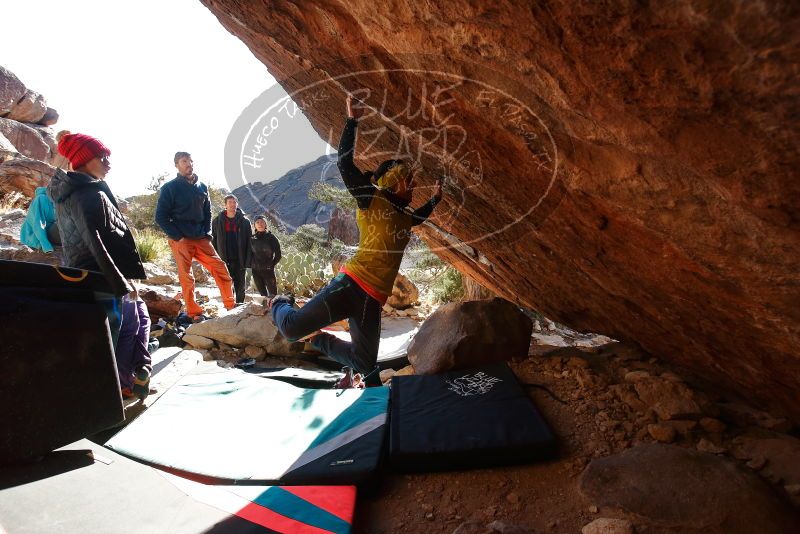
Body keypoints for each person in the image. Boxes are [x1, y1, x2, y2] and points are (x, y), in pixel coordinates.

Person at [269, 94, 443, 386]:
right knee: (290, 329)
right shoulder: (371, 199)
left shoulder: (404, 216)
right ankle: (280, 301)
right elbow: (344, 164)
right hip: (350, 285)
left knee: (364, 361)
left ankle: (316, 338)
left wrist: (435, 199)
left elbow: (418, 218)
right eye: (409, 180)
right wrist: (352, 121)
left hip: (372, 300)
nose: (414, 185)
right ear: (394, 182)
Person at [48, 130, 152, 399]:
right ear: (84, 159)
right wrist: (122, 283)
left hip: (92, 276)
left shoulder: (79, 190)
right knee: (111, 338)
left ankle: (113, 390)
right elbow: (96, 243)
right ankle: (105, 397)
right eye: (102, 157)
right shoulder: (86, 194)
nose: (108, 162)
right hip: (100, 278)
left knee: (117, 332)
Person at [155, 152, 235, 320]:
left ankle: (230, 306)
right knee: (186, 277)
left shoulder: (202, 187)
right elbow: (160, 217)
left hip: (201, 238)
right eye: (184, 161)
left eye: (190, 161)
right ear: (177, 165)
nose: (189, 164)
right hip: (181, 239)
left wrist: (207, 234)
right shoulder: (170, 188)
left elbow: (208, 212)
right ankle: (194, 313)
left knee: (220, 268)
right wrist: (178, 237)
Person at [211, 194, 251, 304]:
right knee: (227, 284)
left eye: (234, 202)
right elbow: (213, 241)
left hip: (240, 259)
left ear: (237, 204)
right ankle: (230, 306)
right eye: (230, 202)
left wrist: (248, 259)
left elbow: (249, 242)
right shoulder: (217, 221)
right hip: (224, 258)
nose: (232, 204)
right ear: (225, 205)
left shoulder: (245, 222)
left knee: (240, 285)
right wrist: (215, 259)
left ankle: (240, 306)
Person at [249, 215, 281, 297]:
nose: (260, 224)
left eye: (262, 222)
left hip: (268, 270)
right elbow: (249, 254)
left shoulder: (271, 238)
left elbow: (278, 254)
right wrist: (252, 264)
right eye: (257, 222)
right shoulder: (252, 239)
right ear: (254, 225)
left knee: (273, 295)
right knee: (263, 295)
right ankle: (265, 305)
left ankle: (274, 305)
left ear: (266, 224)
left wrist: (272, 264)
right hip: (256, 270)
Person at [20, 186, 60, 252]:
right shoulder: (41, 199)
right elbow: (38, 224)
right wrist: (46, 245)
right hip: (33, 236)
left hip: (48, 231)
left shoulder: (56, 200)